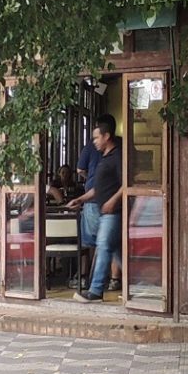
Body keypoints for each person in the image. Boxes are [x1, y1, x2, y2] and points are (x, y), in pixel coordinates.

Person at [68, 114, 122, 302]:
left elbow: (126, 185)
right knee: (116, 251)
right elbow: (98, 189)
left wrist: (113, 201)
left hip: (112, 213)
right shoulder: (104, 158)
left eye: (96, 138)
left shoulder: (117, 157)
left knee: (103, 245)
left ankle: (96, 290)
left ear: (106, 136)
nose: (94, 142)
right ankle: (143, 283)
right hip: (103, 211)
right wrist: (80, 199)